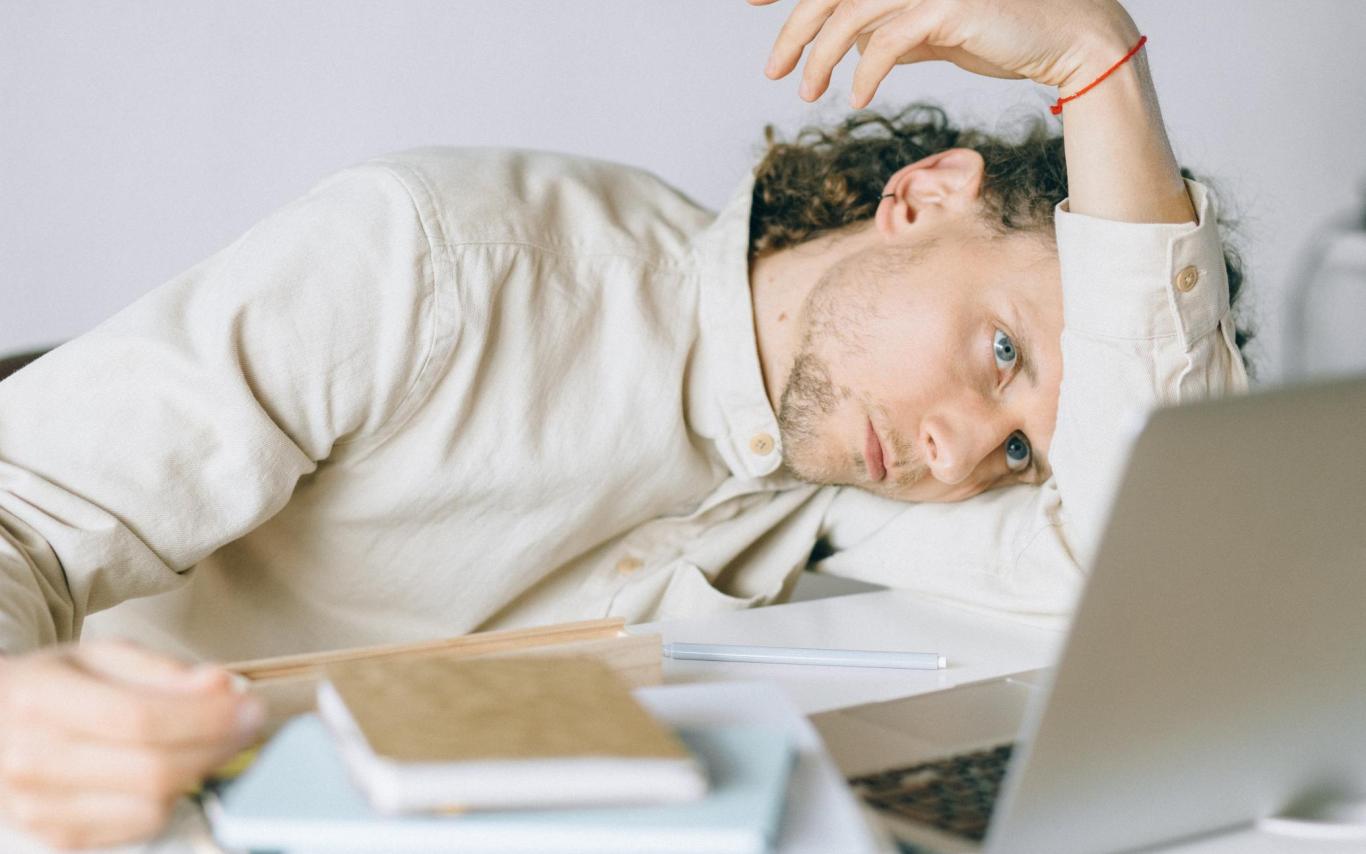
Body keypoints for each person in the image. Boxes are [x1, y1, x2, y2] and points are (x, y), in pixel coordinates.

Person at [0, 0, 1248, 847]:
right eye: (1002, 350)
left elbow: (1150, 569)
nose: (966, 451)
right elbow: (22, 511)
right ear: (921, 198)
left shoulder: (830, 480)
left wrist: (1101, 71)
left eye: (1022, 444)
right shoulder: (439, 260)